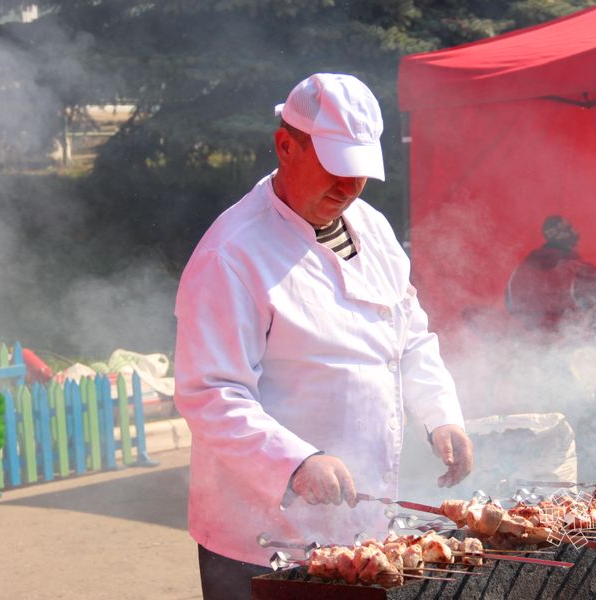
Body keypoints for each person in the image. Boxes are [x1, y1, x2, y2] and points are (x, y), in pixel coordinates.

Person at [173, 73, 473, 599]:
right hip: (262, 537)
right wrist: (295, 461)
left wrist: (441, 414)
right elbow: (211, 394)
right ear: (286, 146)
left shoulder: (372, 228)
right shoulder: (232, 253)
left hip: (361, 530)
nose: (349, 188)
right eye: (336, 169)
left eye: (360, 172)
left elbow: (410, 336)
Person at [506, 215, 596, 333]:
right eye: (570, 228)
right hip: (570, 340)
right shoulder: (578, 271)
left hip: (527, 340)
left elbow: (510, 305)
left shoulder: (520, 271)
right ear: (564, 235)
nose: (576, 232)